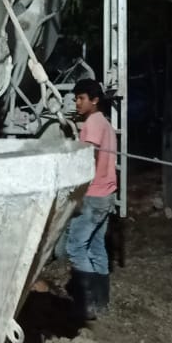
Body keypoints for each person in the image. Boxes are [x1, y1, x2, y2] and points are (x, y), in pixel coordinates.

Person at [66, 78, 118, 319]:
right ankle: (101, 302)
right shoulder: (104, 122)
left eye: (81, 98)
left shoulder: (93, 123)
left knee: (75, 246)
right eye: (76, 98)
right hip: (106, 193)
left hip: (93, 194)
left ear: (94, 100)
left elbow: (88, 160)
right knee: (97, 247)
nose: (77, 103)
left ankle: (86, 305)